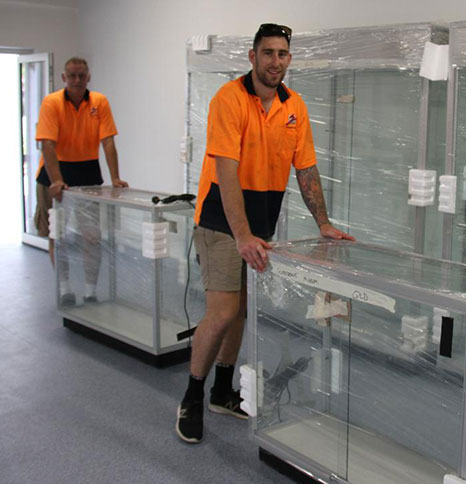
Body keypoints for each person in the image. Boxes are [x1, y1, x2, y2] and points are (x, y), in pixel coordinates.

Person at [176, 23, 354, 444]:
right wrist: (241, 235)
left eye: (283, 54)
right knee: (221, 312)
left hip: (258, 227)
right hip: (223, 221)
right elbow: (226, 171)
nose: (276, 61)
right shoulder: (230, 100)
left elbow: (306, 167)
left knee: (239, 312)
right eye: (268, 53)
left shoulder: (296, 107)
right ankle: (191, 397)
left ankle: (223, 391)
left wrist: (323, 223)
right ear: (252, 57)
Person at [33, 57, 128, 305]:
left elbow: (108, 142)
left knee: (92, 236)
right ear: (64, 78)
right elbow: (47, 145)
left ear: (88, 77)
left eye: (81, 76)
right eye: (72, 76)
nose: (77, 80)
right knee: (58, 235)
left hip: (87, 172)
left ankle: (90, 291)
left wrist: (115, 177)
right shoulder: (52, 102)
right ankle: (64, 288)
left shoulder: (99, 102)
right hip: (55, 172)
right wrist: (57, 180)